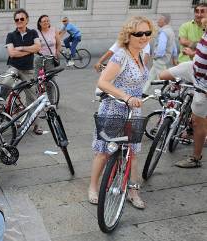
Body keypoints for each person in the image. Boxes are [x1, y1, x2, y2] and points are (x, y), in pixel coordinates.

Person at [88, 16, 154, 209]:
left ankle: (133, 191)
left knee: (132, 153)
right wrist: (126, 97)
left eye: (147, 33)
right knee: (103, 152)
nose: (144, 37)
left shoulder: (141, 54)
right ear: (128, 35)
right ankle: (93, 187)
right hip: (114, 108)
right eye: (139, 33)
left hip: (133, 111)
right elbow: (102, 82)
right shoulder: (121, 55)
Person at [159, 16, 207, 168]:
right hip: (192, 68)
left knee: (197, 121)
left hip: (204, 83)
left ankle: (196, 158)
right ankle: (177, 101)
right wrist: (194, 55)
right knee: (162, 76)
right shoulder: (205, 31)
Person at [3, 8, 42, 135]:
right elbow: (11, 53)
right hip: (14, 67)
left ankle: (36, 124)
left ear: (27, 20)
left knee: (32, 97)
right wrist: (29, 50)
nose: (19, 21)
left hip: (28, 70)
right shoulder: (11, 35)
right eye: (17, 19)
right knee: (5, 84)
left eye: (22, 19)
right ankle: (2, 110)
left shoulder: (33, 33)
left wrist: (21, 48)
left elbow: (38, 47)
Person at [142, 14, 175, 95]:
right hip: (164, 59)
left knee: (163, 77)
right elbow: (174, 46)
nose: (158, 21)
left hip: (160, 59)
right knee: (151, 76)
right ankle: (143, 92)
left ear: (164, 21)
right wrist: (174, 56)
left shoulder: (163, 32)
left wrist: (155, 56)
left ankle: (172, 91)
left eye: (159, 20)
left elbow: (161, 48)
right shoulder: (171, 31)